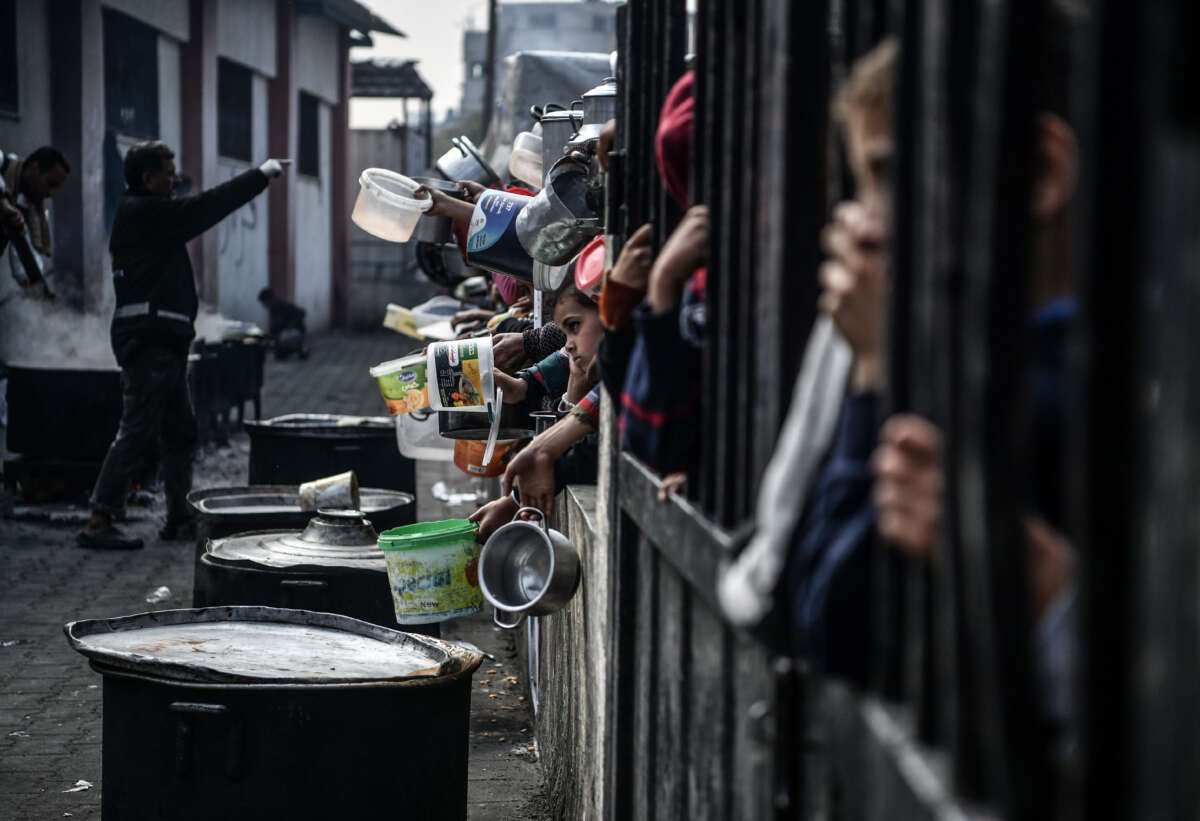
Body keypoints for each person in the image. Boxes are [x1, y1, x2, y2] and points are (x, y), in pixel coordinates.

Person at [77, 141, 285, 550]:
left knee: (180, 433)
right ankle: (100, 520)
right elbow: (209, 206)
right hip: (149, 342)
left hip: (162, 342)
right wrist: (260, 176)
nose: (175, 179)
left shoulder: (145, 213)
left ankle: (177, 518)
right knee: (138, 430)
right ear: (146, 178)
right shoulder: (146, 212)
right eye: (168, 172)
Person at [470, 281, 604, 540]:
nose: (569, 346)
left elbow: (593, 447)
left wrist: (517, 498)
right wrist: (525, 385)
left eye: (574, 328)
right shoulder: (594, 374)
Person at [0, 145, 71, 292]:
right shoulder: (2, 165)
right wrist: (2, 200)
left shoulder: (28, 210)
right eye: (50, 184)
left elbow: (25, 253)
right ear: (34, 169)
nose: (51, 194)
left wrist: (34, 286)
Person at [257, 287, 310, 360]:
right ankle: (289, 349)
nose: (264, 306)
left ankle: (300, 348)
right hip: (284, 334)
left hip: (294, 332)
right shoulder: (273, 309)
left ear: (270, 300)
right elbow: (275, 327)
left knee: (284, 338)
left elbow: (302, 313)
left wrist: (291, 325)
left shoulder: (285, 305)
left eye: (264, 303)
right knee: (278, 352)